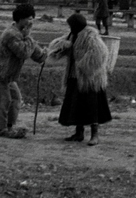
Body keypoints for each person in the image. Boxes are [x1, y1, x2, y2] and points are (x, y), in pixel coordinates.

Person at [48, 12, 112, 145]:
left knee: (91, 105)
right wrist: (62, 46)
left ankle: (95, 134)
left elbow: (99, 54)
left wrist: (82, 65)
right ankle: (79, 133)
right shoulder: (73, 35)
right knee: (77, 105)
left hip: (89, 78)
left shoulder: (91, 36)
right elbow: (58, 46)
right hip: (74, 76)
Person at [0, 2, 45, 136]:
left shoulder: (23, 34)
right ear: (20, 19)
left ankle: (9, 126)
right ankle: (0, 129)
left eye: (32, 18)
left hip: (9, 75)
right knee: (3, 99)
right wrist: (29, 37)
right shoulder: (11, 34)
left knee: (15, 98)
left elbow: (35, 53)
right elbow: (24, 52)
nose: (31, 22)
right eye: (29, 18)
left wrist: (45, 55)